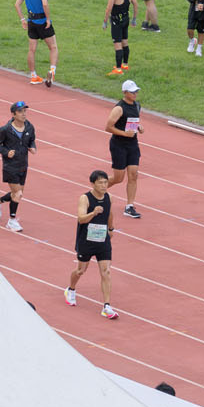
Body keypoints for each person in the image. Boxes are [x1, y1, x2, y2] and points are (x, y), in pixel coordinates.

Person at [63, 172, 117, 319]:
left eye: (105, 182)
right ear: (93, 184)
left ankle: (107, 306)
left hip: (103, 240)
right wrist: (93, 213)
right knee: (81, 270)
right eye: (100, 183)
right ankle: (71, 289)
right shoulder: (85, 198)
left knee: (106, 271)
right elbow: (81, 219)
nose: (104, 186)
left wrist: (111, 228)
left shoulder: (109, 197)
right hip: (86, 241)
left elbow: (110, 214)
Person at [103, 79, 144, 220]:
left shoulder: (137, 105)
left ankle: (129, 206)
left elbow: (133, 121)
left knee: (133, 175)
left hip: (133, 145)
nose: (135, 94)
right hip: (118, 145)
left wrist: (139, 127)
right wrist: (125, 134)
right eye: (132, 92)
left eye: (136, 91)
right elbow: (108, 127)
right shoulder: (119, 108)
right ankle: (96, 191)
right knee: (118, 178)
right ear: (125, 92)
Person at [18, 0, 57, 86]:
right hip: (42, 22)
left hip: (31, 22)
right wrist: (48, 19)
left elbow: (17, 4)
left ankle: (33, 76)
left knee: (32, 50)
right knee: (53, 47)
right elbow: (45, 3)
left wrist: (22, 19)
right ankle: (52, 72)